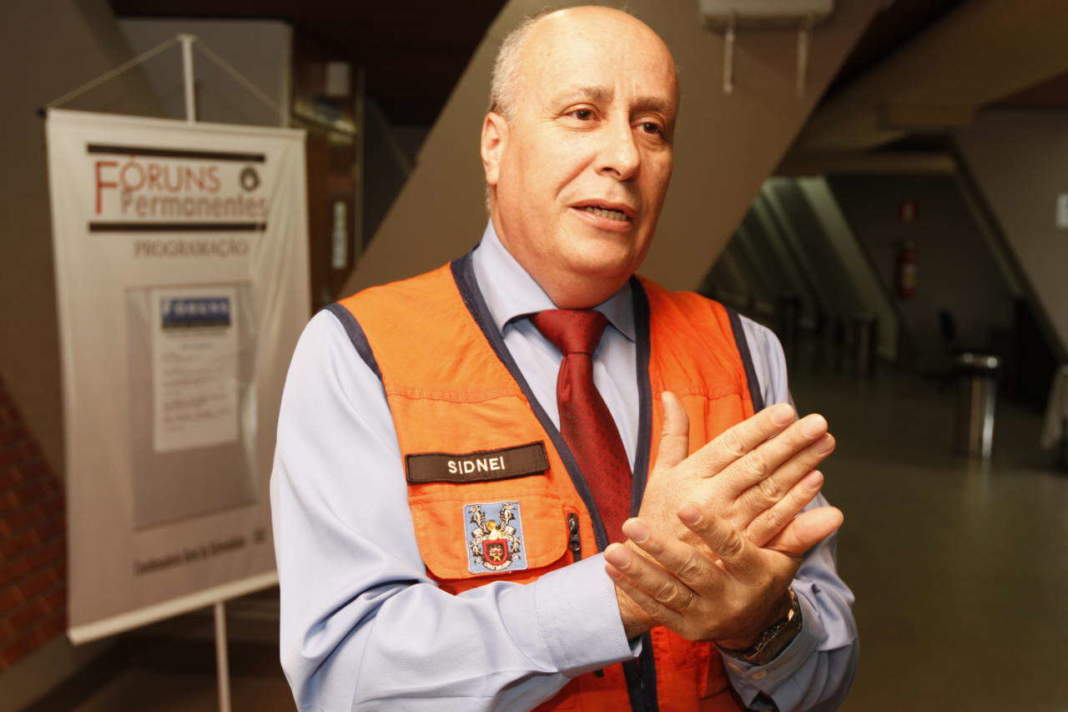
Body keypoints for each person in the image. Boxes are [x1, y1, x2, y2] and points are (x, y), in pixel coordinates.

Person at [271, 6, 857, 711]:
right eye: (583, 114)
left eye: (652, 127)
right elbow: (345, 678)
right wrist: (626, 595)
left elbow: (829, 667)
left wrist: (760, 626)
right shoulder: (360, 353)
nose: (626, 158)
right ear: (495, 145)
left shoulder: (742, 351)